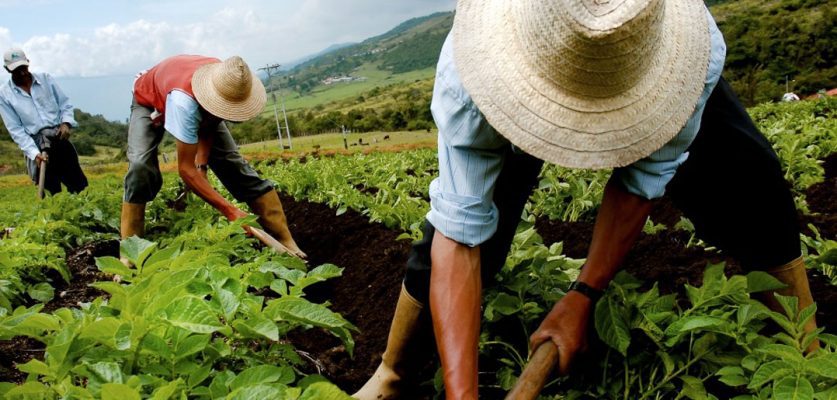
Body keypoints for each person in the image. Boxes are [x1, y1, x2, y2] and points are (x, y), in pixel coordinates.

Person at [353, 0, 820, 398]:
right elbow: (460, 232)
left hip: (644, 65)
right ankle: (391, 373)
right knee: (469, 239)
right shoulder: (471, 77)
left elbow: (643, 181)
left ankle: (806, 361)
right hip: (524, 68)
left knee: (752, 186)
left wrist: (582, 296)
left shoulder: (688, 58)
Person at [120, 54, 305, 258]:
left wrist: (202, 165)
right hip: (149, 98)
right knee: (140, 166)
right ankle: (130, 254)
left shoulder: (226, 76)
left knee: (234, 165)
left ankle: (286, 239)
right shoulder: (184, 103)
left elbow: (209, 121)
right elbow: (185, 169)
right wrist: (231, 211)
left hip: (187, 93)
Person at [0, 47, 88, 195]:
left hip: (59, 137)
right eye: (16, 70)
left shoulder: (45, 79)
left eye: (24, 67)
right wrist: (34, 154)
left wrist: (66, 123)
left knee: (78, 186)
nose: (22, 73)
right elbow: (16, 130)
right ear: (7, 70)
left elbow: (65, 104)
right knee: (52, 191)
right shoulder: (4, 95)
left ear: (28, 63)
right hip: (37, 144)